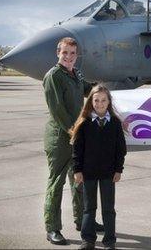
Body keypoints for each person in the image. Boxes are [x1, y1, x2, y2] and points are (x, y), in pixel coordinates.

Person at [43, 37, 102, 245]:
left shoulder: (76, 74)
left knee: (79, 180)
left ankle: (83, 220)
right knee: (56, 182)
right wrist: (73, 132)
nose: (68, 57)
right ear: (58, 53)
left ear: (77, 56)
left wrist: (104, 92)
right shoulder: (53, 76)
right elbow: (57, 110)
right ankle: (52, 228)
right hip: (60, 138)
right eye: (65, 53)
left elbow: (89, 89)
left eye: (72, 53)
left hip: (75, 134)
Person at [70, 85, 127, 250]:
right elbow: (77, 150)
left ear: (109, 102)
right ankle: (88, 240)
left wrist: (118, 169)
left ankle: (109, 241)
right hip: (88, 173)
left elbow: (120, 149)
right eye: (96, 100)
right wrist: (77, 170)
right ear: (91, 102)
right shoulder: (84, 123)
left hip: (109, 174)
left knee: (108, 209)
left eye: (103, 100)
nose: (100, 104)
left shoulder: (115, 123)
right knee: (89, 208)